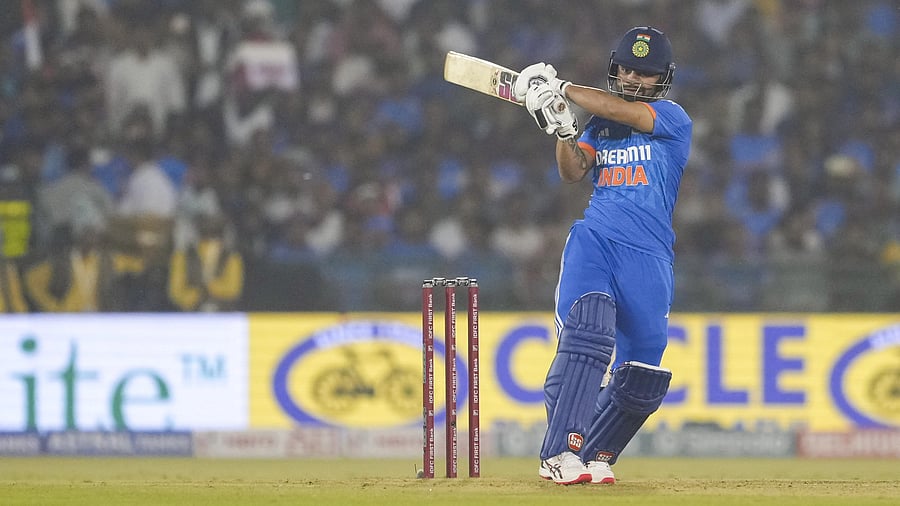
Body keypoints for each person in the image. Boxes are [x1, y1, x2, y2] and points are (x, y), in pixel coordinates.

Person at [511, 26, 692, 485]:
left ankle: (593, 454)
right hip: (597, 241)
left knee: (644, 371)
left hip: (650, 258)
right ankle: (559, 453)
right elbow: (573, 171)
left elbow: (618, 107)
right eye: (627, 69)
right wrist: (563, 128)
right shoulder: (599, 125)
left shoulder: (672, 118)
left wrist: (562, 89)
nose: (633, 79)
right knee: (589, 331)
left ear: (662, 80)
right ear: (615, 68)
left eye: (645, 74)